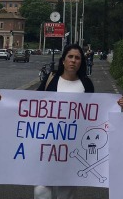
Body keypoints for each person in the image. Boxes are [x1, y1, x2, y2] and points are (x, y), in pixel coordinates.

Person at [34, 44, 94, 199]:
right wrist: (3, 100)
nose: (73, 61)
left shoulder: (86, 84)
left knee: (65, 192)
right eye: (70, 57)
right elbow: (31, 103)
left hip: (72, 148)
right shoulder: (51, 79)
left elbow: (95, 113)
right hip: (47, 145)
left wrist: (119, 105)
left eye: (77, 58)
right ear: (63, 60)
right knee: (41, 190)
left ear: (81, 62)